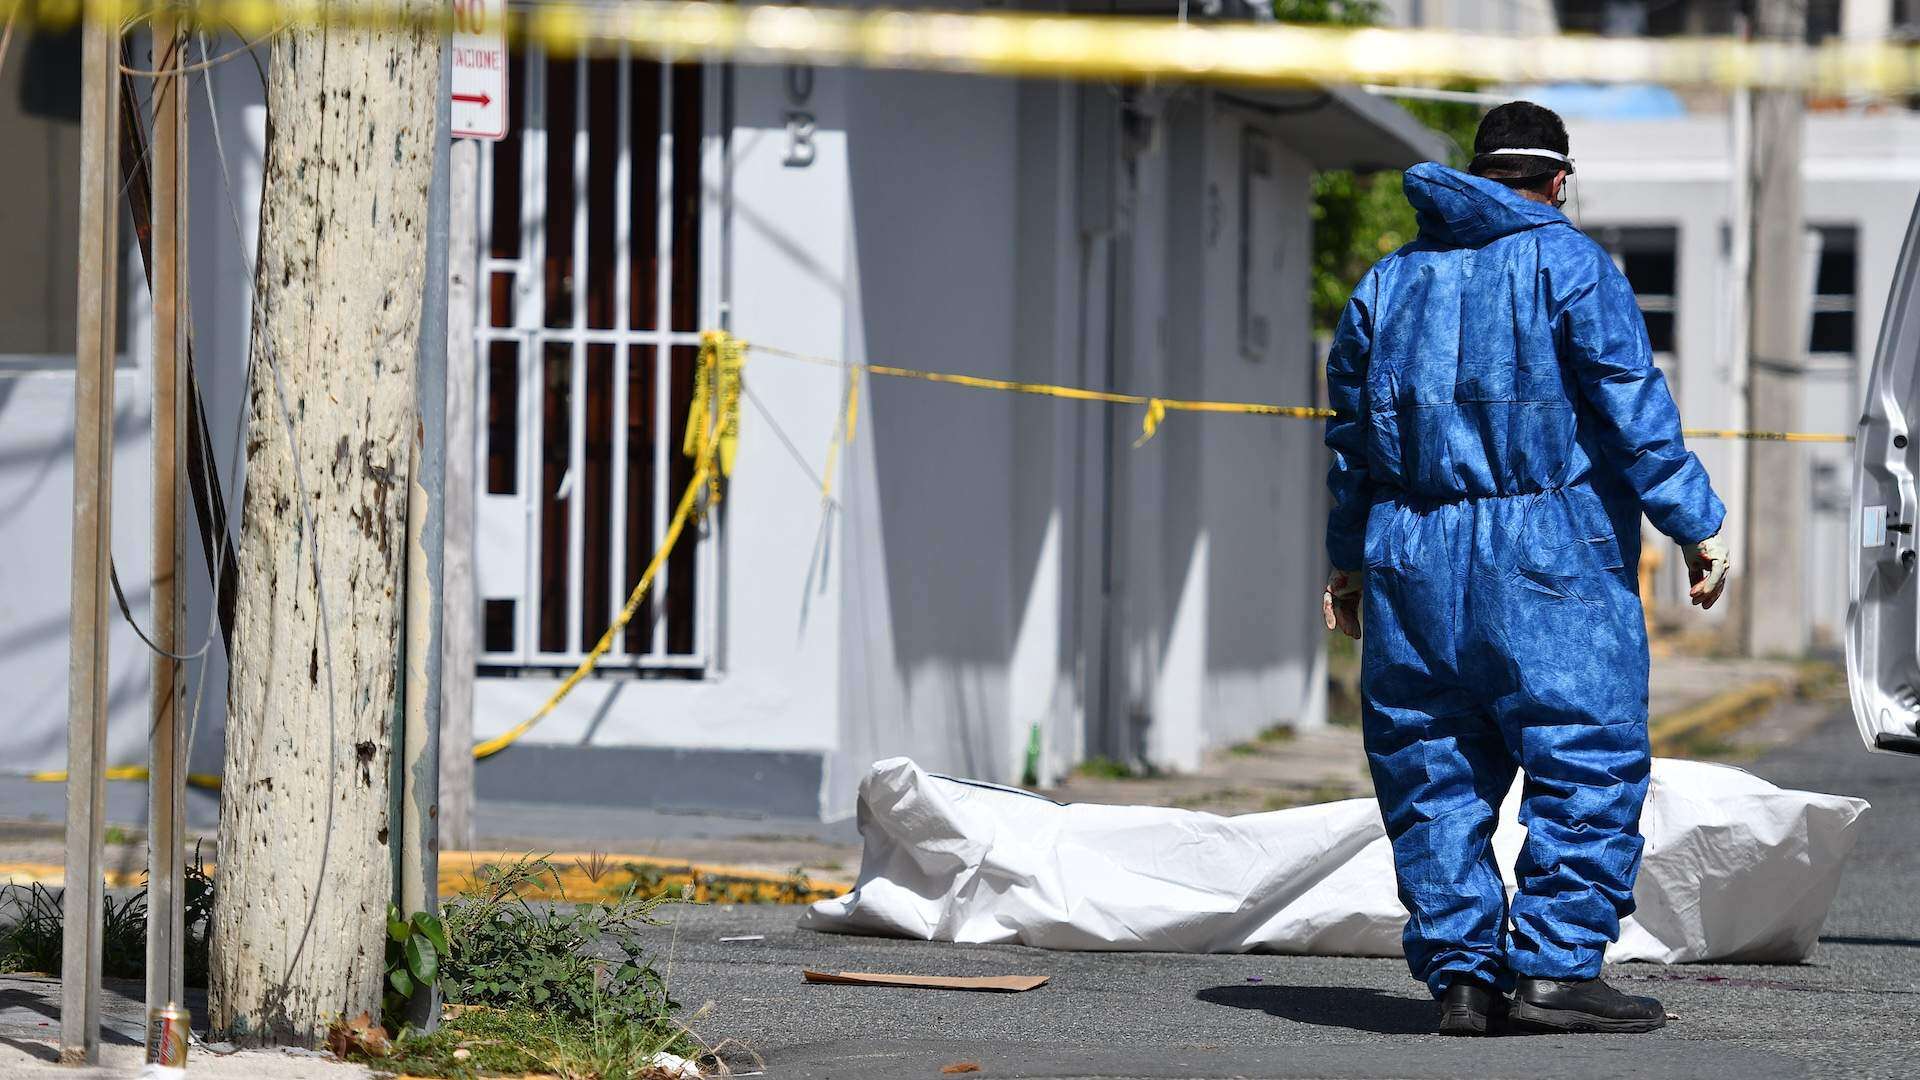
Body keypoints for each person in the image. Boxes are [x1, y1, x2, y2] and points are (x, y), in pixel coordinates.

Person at [1319, 101, 1731, 1036]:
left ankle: (1463, 975)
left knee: (1429, 763)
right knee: (1582, 751)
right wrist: (1695, 523)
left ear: (1474, 173)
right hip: (1552, 548)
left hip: (1411, 553)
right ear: (1557, 181)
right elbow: (1631, 407)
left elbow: (1352, 444)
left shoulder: (1389, 283)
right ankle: (1555, 968)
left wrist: (1348, 561)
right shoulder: (1574, 266)